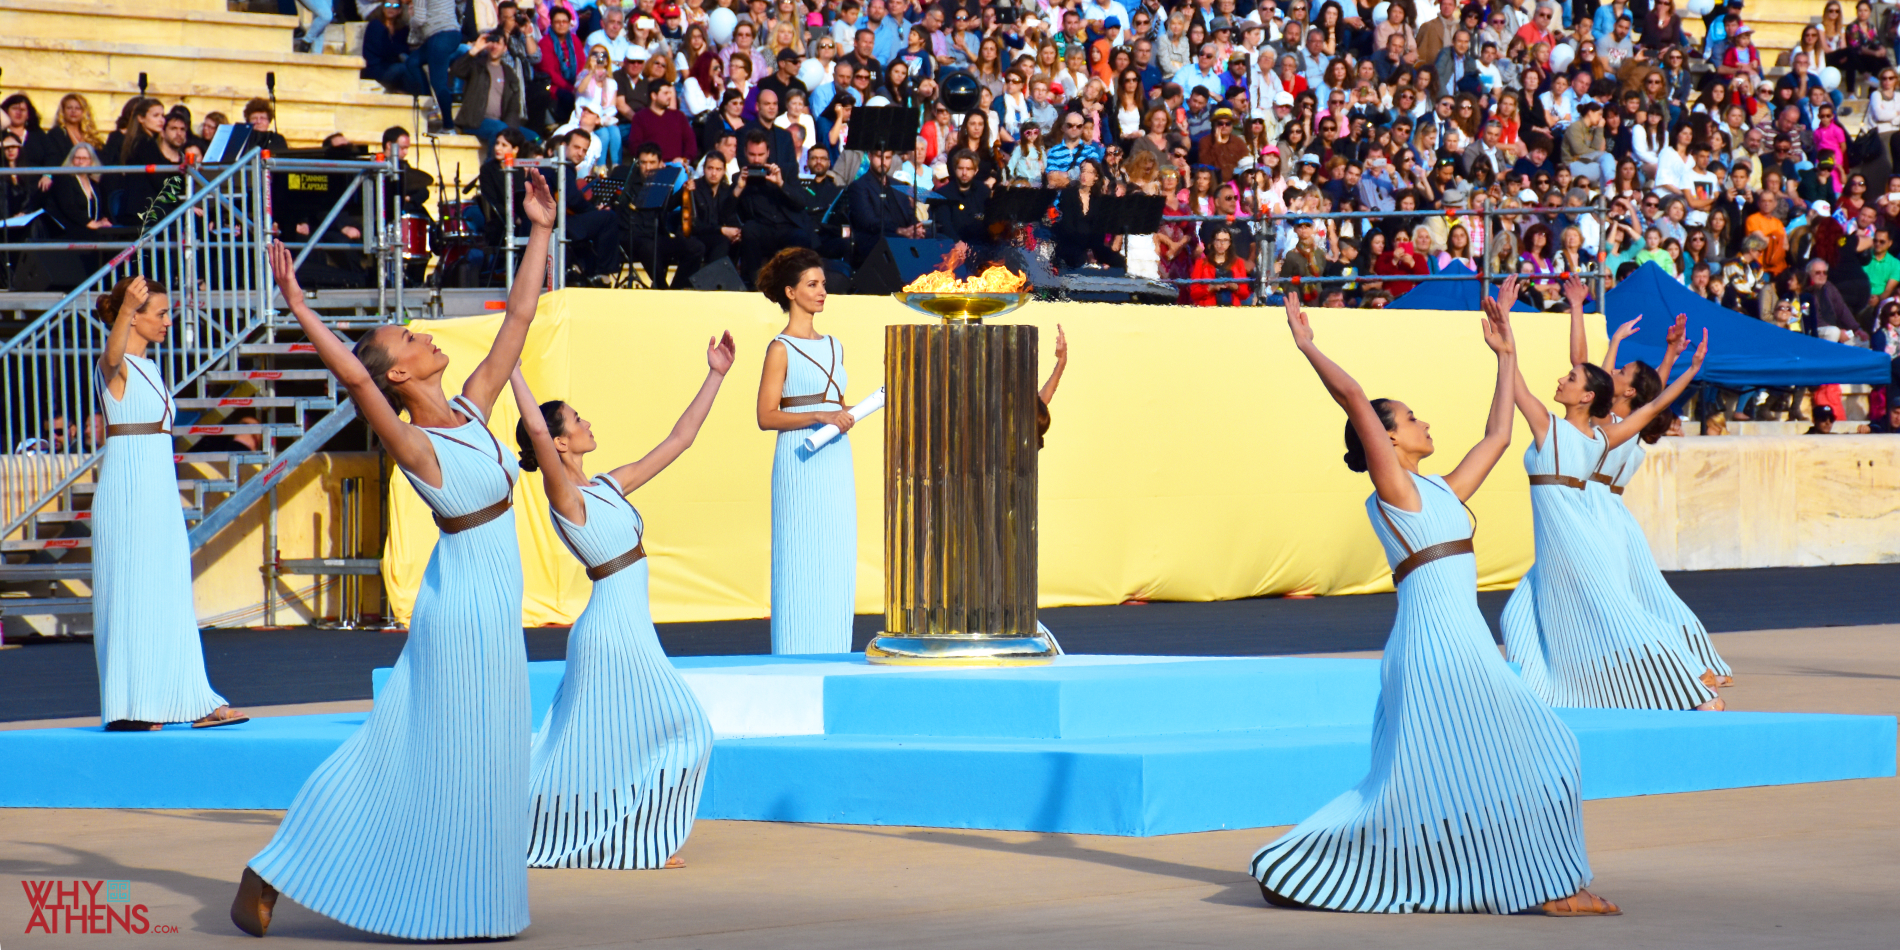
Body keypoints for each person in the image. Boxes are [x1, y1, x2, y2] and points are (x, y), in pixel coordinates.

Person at [231, 176, 558, 940]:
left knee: (492, 753)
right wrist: (301, 307)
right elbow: (353, 376)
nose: (423, 335)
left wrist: (540, 229)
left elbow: (518, 314)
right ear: (401, 376)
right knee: (422, 748)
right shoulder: (414, 443)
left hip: (491, 601)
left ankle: (473, 901)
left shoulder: (476, 406)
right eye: (408, 340)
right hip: (460, 612)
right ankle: (276, 867)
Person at [1252, 284, 1608, 917]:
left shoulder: (1439, 491)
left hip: (1459, 641)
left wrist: (1506, 356)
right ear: (1385, 442)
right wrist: (1310, 346)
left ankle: (1550, 885)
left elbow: (1499, 436)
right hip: (1436, 646)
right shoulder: (1397, 491)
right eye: (1410, 419)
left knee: (1475, 769)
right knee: (1544, 750)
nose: (1423, 423)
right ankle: (1550, 889)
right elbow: (1356, 398)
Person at [511, 332, 733, 869]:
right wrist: (514, 370)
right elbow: (536, 430)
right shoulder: (564, 497)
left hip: (627, 627)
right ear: (558, 443)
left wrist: (716, 375)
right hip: (610, 632)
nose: (587, 423)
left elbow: (678, 440)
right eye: (576, 420)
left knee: (601, 743)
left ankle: (635, 837)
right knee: (686, 728)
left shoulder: (607, 486)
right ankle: (635, 839)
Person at [1499, 275, 1724, 713]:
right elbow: (1649, 402)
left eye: (1572, 378)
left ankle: (1693, 681)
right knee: (1522, 615)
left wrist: (1686, 367)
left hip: (1581, 535)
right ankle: (1539, 695)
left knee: (1619, 614)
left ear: (1587, 396)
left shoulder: (1582, 434)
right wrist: (1677, 361)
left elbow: (1649, 402)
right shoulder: (1595, 435)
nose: (1564, 377)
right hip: (1570, 535)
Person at [87, 276, 246, 733]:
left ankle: (190, 698)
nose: (168, 321)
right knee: (130, 596)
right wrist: (124, 309)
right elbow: (112, 355)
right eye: (159, 313)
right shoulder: (113, 367)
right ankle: (131, 707)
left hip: (157, 490)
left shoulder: (152, 369)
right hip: (127, 489)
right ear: (131, 316)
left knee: (169, 595)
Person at [1590, 312, 1735, 689]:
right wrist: (1671, 356)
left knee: (1632, 604)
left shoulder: (1612, 425)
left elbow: (1611, 385)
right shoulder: (1630, 422)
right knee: (1648, 599)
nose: (1614, 374)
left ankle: (1685, 668)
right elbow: (1653, 394)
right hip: (1615, 518)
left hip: (1597, 517)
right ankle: (1696, 663)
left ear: (1627, 391)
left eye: (1621, 373)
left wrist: (1614, 343)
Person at [754, 247, 858, 655]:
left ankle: (834, 649)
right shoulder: (780, 348)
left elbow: (838, 407)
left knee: (835, 553)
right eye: (812, 285)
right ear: (790, 292)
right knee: (799, 556)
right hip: (800, 457)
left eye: (823, 285)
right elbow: (766, 415)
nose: (822, 292)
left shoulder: (835, 345)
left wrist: (852, 412)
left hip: (835, 457)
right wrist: (819, 417)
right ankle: (793, 654)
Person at [845, 149, 922, 265]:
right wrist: (899, 231)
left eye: (887, 158)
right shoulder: (858, 187)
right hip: (875, 241)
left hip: (904, 237)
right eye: (879, 157)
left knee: (939, 239)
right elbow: (868, 222)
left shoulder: (898, 185)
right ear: (870, 157)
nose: (883, 162)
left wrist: (916, 228)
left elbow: (909, 213)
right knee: (896, 243)